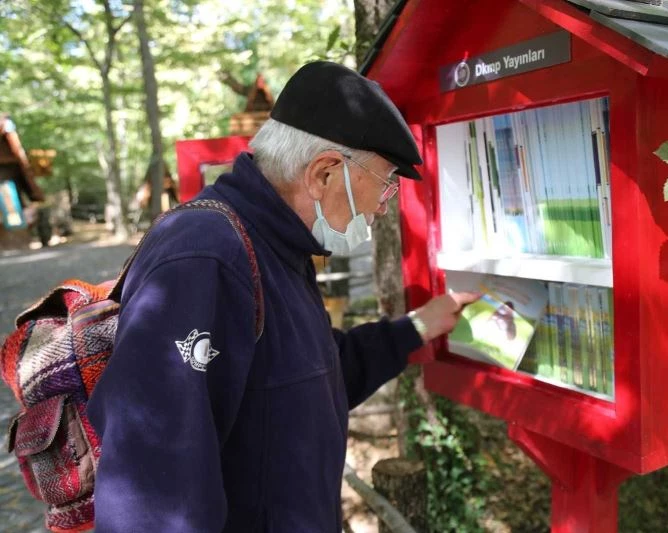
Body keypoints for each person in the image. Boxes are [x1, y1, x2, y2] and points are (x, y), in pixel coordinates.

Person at [87, 61, 480, 532]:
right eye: (385, 181)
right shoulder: (207, 255)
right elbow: (152, 491)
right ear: (324, 174)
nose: (385, 201)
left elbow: (314, 378)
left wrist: (417, 327)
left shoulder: (279, 246)